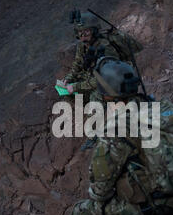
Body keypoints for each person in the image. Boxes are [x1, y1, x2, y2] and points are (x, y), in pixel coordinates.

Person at [64, 57, 173, 215]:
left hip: (144, 209)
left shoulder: (115, 130)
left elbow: (99, 191)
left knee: (82, 212)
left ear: (106, 96)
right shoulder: (167, 109)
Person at [60, 11, 143, 150]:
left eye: (86, 32)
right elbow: (78, 65)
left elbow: (102, 79)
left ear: (94, 30)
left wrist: (77, 87)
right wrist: (68, 79)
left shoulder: (105, 48)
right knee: (68, 94)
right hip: (99, 74)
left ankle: (94, 136)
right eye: (80, 33)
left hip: (116, 78)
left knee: (95, 98)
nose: (83, 36)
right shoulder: (83, 45)